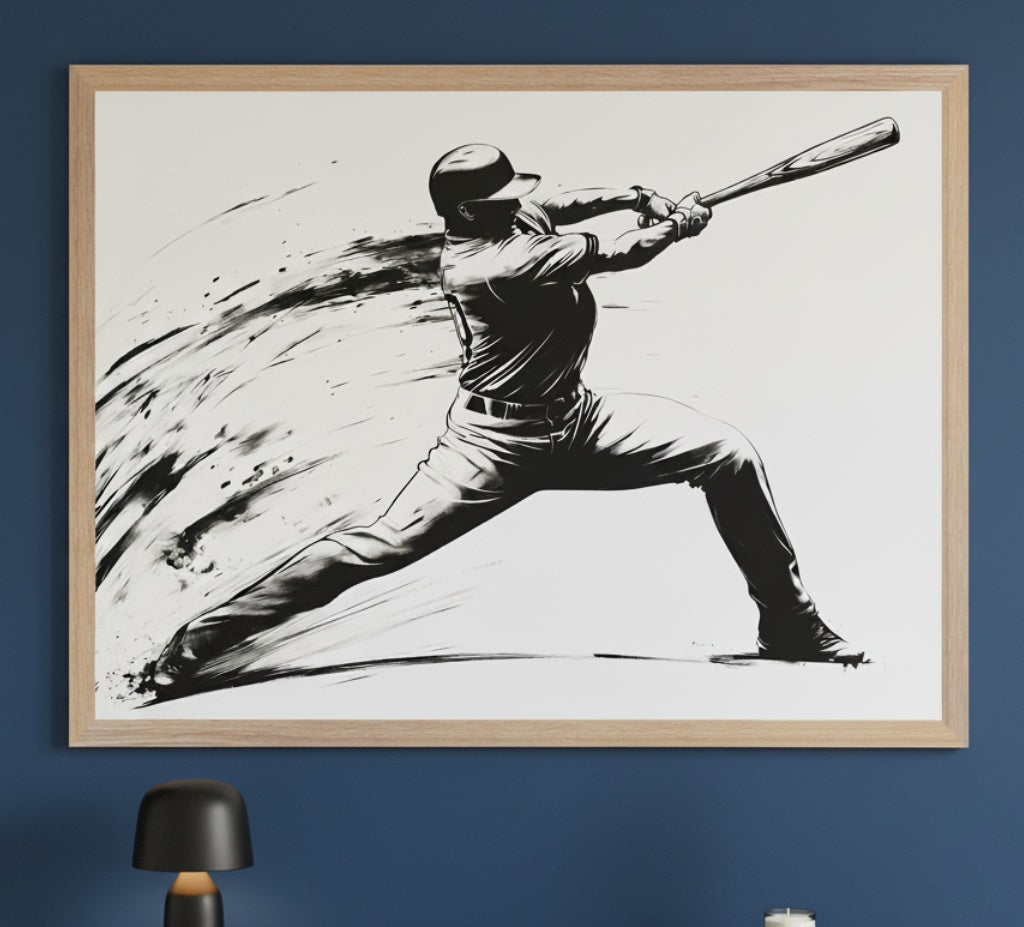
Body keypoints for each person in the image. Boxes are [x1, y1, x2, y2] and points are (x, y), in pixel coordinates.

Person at [150, 143, 863, 692]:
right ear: (465, 213)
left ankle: (790, 625)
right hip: (496, 444)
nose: (516, 203)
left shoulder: (507, 218)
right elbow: (621, 252)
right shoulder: (487, 264)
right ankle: (193, 647)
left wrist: (636, 194)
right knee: (374, 549)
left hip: (581, 423)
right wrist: (675, 227)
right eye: (498, 198)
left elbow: (572, 206)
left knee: (727, 455)